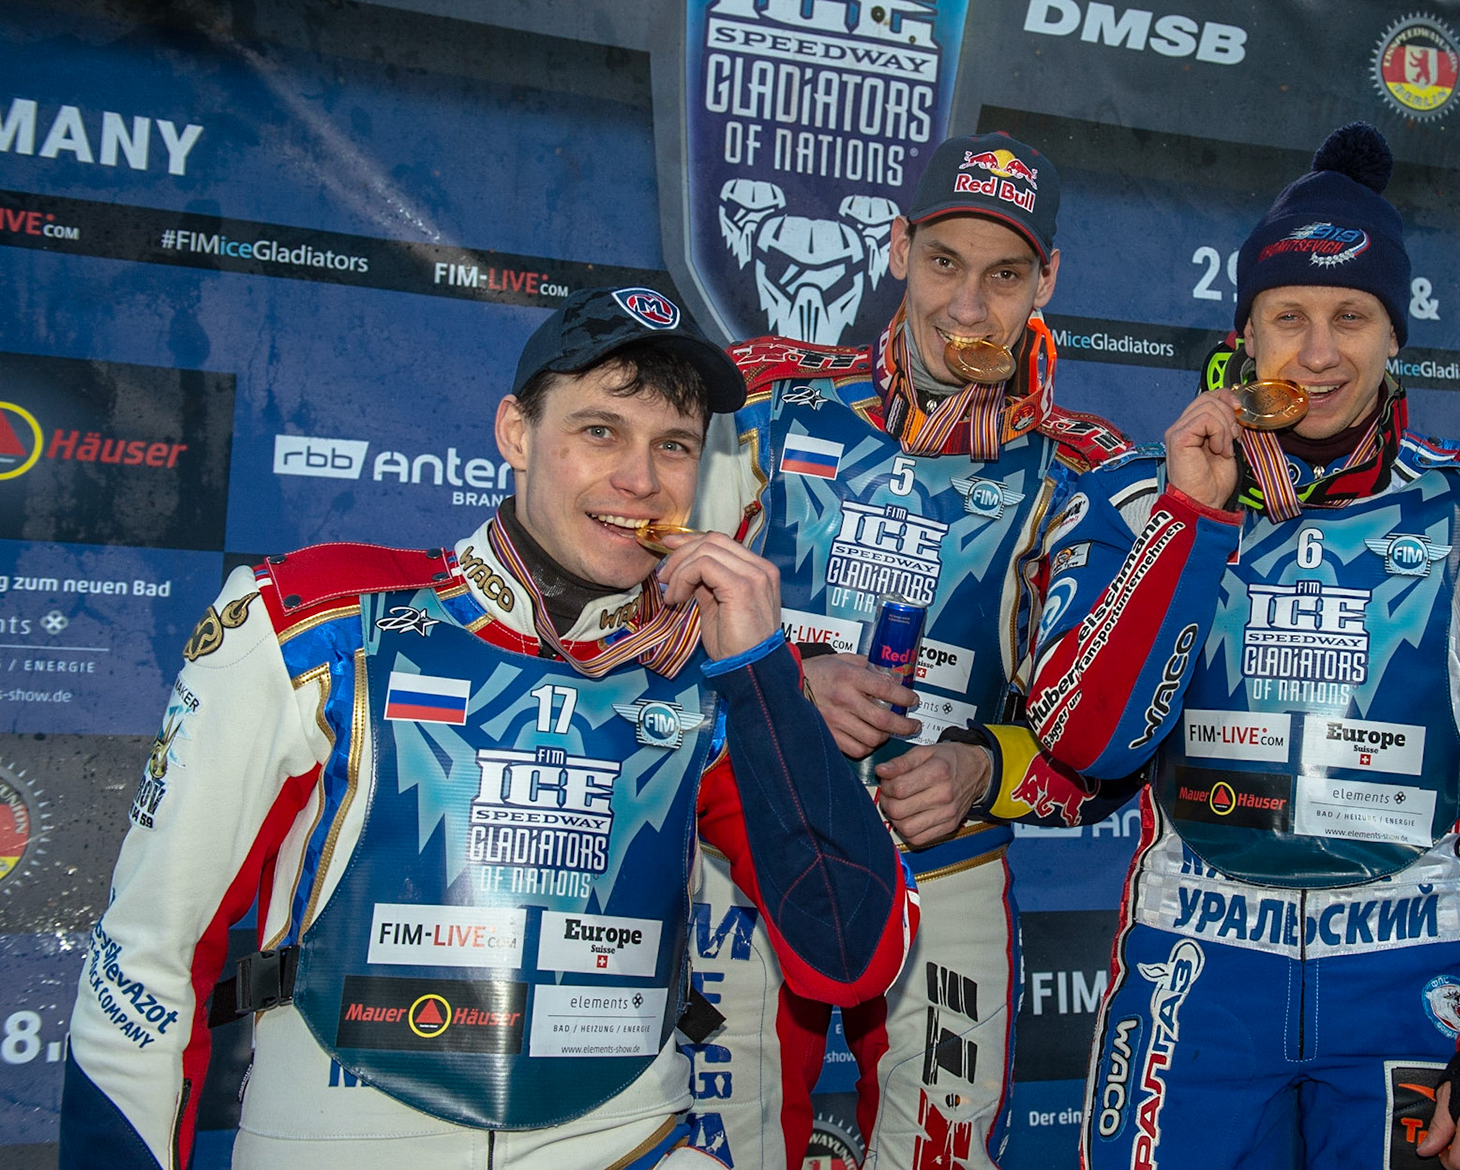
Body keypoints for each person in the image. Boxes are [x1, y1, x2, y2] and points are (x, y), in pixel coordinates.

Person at [57, 287, 916, 1170]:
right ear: (515, 431)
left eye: (674, 446)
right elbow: (148, 956)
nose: (641, 478)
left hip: (630, 1143)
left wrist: (764, 668)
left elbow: (850, 956)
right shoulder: (317, 620)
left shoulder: (701, 670)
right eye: (599, 432)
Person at [1022, 122, 1460, 1170]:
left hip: (1414, 989)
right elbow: (1087, 743)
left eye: (1351, 317)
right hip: (1195, 974)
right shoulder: (1139, 497)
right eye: (1288, 317)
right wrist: (1191, 521)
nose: (1317, 354)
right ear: (1242, 334)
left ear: (1396, 336)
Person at [686, 132, 1135, 1170]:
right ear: (896, 248)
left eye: (1004, 275)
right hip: (748, 838)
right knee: (723, 1151)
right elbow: (638, 614)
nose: (968, 309)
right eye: (944, 263)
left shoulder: (1086, 474)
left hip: (950, 851)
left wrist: (988, 767)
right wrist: (785, 687)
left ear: (1047, 282)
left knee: (942, 1156)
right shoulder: (761, 401)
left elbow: (1111, 733)